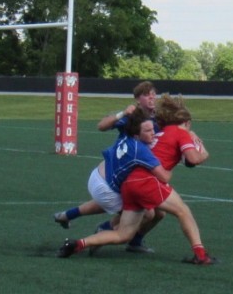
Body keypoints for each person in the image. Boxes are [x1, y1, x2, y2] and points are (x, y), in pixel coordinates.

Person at [57, 98, 216, 265]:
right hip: (147, 181)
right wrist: (202, 150)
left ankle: (77, 244)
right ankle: (200, 254)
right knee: (183, 211)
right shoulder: (180, 133)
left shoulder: (160, 131)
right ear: (187, 122)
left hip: (129, 183)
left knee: (123, 234)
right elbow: (193, 159)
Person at [53, 81, 160, 238]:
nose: (151, 97)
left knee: (153, 211)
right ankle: (105, 231)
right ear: (137, 99)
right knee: (146, 212)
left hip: (137, 169)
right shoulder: (132, 116)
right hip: (123, 168)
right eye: (146, 95)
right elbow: (102, 125)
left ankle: (68, 215)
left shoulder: (159, 116)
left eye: (153, 94)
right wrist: (122, 113)